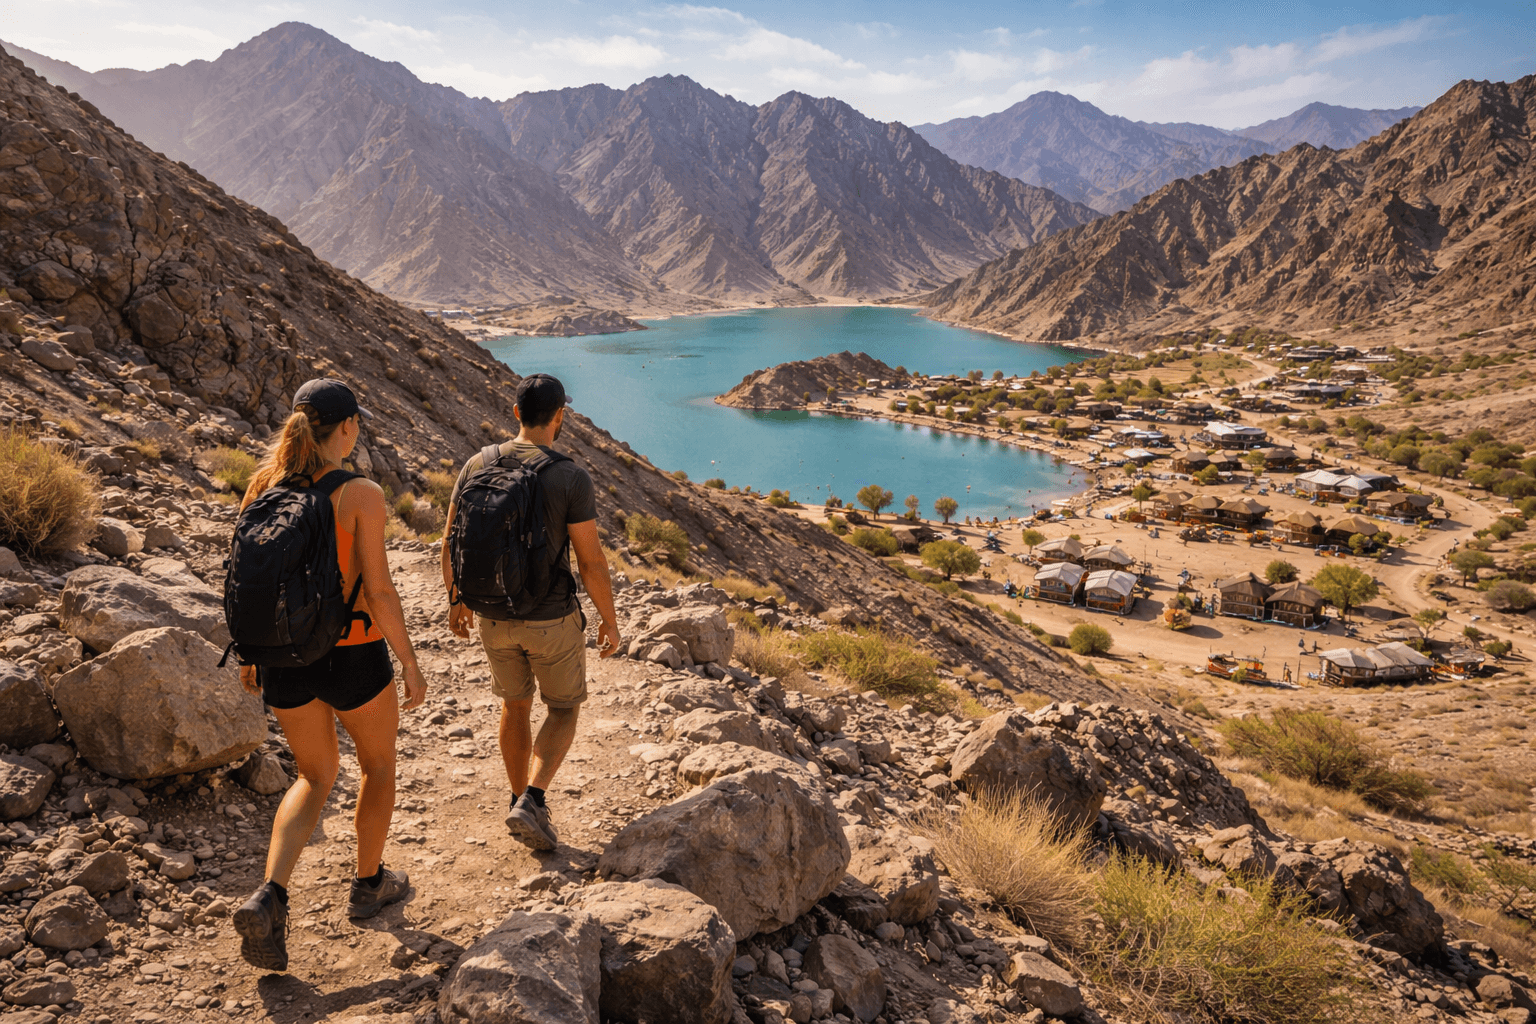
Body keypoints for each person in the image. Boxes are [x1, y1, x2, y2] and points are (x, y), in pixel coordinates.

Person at [232, 379, 427, 972]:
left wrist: (249, 653)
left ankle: (271, 895)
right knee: (378, 767)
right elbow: (380, 589)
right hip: (353, 655)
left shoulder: (262, 486)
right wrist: (410, 662)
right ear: (346, 428)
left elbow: (247, 580)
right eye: (356, 424)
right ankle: (369, 884)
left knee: (314, 776)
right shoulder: (359, 493)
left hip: (283, 658)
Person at [441, 374, 621, 851]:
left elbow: (449, 539)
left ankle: (517, 796)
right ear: (560, 417)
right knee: (563, 708)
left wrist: (456, 598)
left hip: (491, 614)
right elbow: (590, 561)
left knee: (514, 705)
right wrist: (609, 618)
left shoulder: (477, 463)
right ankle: (533, 800)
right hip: (550, 616)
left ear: (516, 412)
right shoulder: (569, 476)